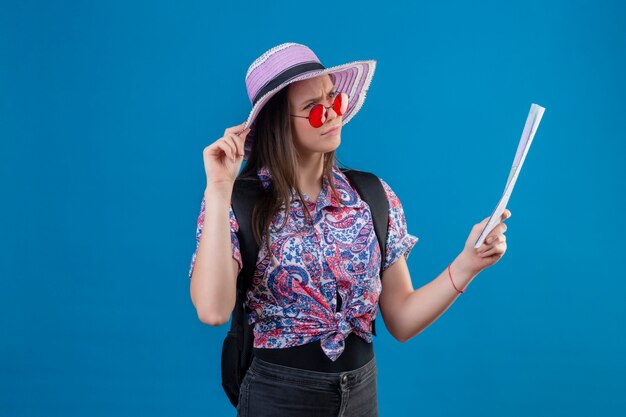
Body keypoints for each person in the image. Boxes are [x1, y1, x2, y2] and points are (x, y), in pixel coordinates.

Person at [188, 42, 510, 417]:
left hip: (361, 393)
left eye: (332, 99)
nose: (330, 114)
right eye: (312, 108)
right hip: (279, 398)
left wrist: (468, 263)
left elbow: (402, 319)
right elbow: (212, 310)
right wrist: (218, 188)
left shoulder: (370, 195)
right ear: (277, 123)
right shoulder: (236, 202)